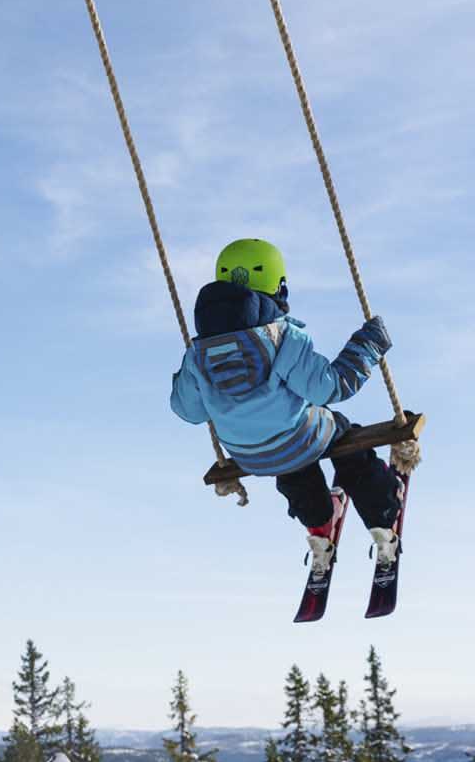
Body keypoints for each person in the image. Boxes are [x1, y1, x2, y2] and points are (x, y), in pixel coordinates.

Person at [169, 238, 401, 573]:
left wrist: (189, 374)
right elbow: (330, 388)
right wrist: (369, 345)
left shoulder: (198, 353)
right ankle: (382, 518)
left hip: (249, 454)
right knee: (344, 439)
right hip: (300, 436)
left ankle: (320, 528)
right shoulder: (282, 336)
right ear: (278, 286)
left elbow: (188, 411)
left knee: (291, 462)